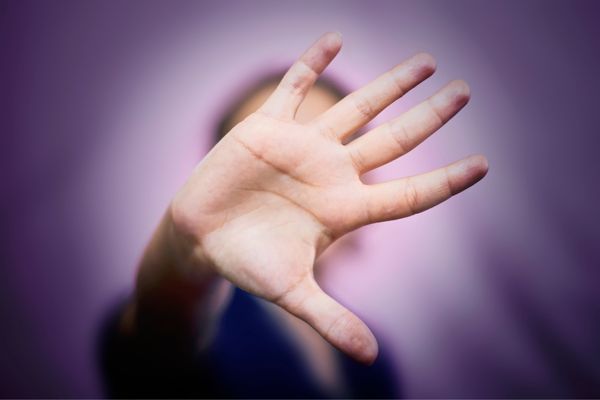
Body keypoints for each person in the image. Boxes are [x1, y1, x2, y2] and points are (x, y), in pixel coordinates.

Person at [99, 32, 488, 398]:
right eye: (270, 162)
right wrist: (182, 256)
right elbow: (157, 344)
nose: (301, 180)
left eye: (334, 148)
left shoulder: (369, 351)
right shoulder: (198, 321)